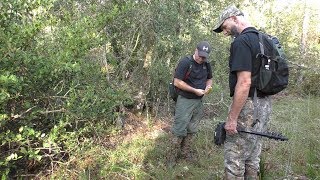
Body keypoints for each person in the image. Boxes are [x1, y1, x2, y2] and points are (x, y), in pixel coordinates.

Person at [212, 5, 272, 179]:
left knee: (235, 158)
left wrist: (232, 119)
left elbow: (244, 82)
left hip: (248, 106)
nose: (224, 32)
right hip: (265, 104)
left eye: (224, 27)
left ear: (234, 18)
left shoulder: (241, 42)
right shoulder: (265, 40)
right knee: (253, 156)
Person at [167, 41, 213, 166]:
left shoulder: (206, 64)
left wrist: (208, 86)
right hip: (185, 99)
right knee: (179, 128)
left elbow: (209, 78)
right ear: (196, 50)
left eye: (204, 57)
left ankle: (185, 154)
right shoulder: (185, 62)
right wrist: (194, 90)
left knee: (192, 129)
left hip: (199, 101)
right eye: (200, 55)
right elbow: (177, 82)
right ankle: (171, 158)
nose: (201, 58)